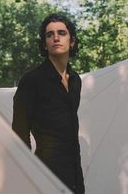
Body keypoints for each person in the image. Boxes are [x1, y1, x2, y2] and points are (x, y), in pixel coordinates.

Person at [12, 13, 85, 194]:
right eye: (49, 34)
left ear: (72, 41)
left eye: (61, 32)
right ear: (45, 43)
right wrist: (29, 176)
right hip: (45, 174)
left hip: (75, 174)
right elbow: (20, 134)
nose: (56, 38)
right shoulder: (31, 81)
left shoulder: (76, 80)